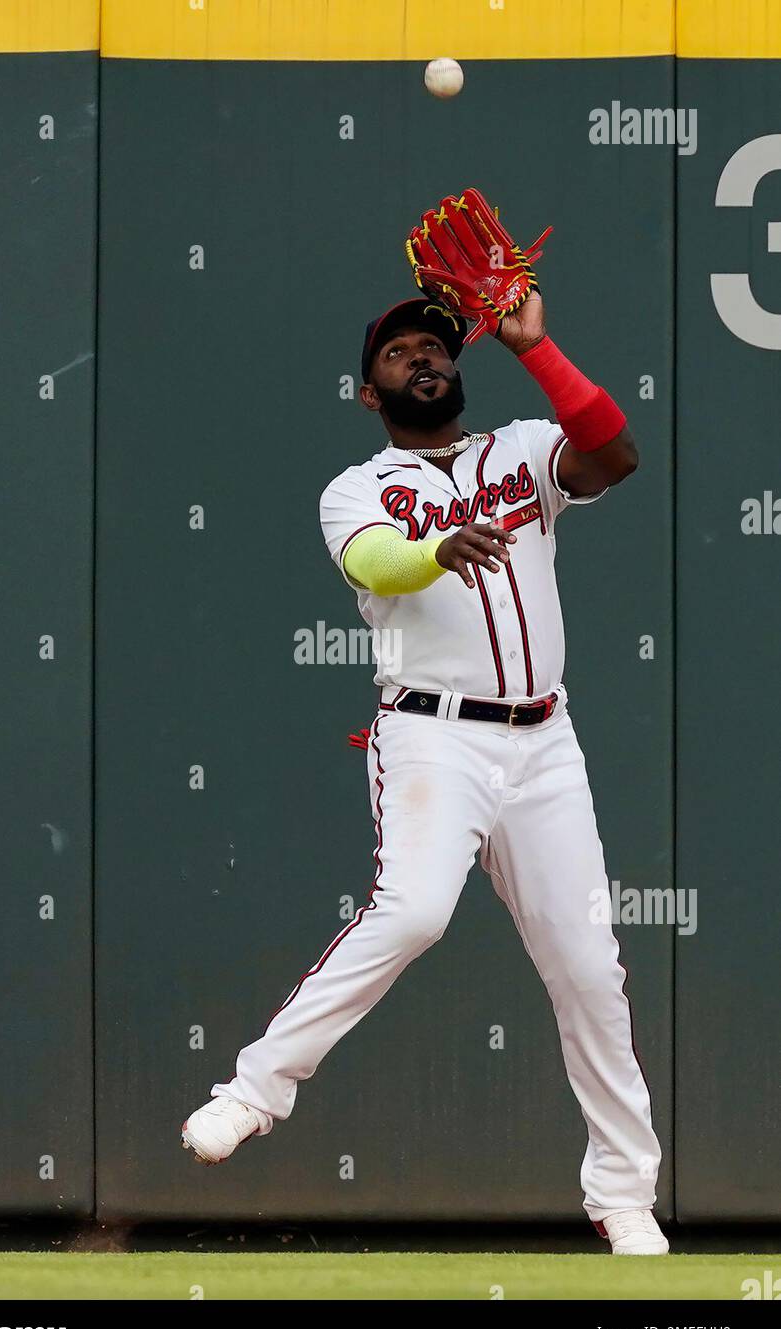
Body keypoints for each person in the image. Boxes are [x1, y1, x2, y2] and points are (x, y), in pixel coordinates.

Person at [182, 291, 669, 1255]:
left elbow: (616, 454)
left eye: (436, 346)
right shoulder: (356, 487)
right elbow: (377, 563)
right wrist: (437, 548)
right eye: (400, 352)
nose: (422, 359)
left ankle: (623, 1194)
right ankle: (252, 1091)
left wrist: (540, 348)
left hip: (544, 743)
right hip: (434, 736)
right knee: (411, 912)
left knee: (588, 969)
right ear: (370, 393)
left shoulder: (524, 450)